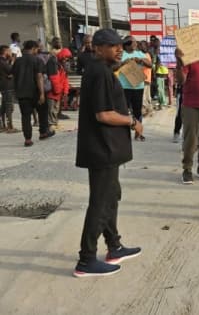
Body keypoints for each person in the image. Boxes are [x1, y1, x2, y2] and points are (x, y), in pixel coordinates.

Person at [73, 28, 142, 277]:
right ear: (98, 48)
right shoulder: (98, 72)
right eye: (114, 46)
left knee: (111, 196)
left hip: (108, 148)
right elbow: (104, 115)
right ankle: (86, 259)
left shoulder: (103, 70)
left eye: (120, 46)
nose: (119, 49)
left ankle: (114, 246)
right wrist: (132, 121)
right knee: (100, 203)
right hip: (102, 148)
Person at [175, 34, 199, 184]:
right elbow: (181, 80)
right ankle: (187, 169)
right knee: (191, 140)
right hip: (191, 106)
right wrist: (179, 61)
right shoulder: (188, 59)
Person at [12, 40, 53, 146]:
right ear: (34, 48)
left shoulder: (17, 61)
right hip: (35, 92)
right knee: (43, 110)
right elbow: (39, 76)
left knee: (25, 116)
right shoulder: (37, 60)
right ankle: (43, 132)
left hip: (22, 93)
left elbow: (13, 75)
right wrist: (42, 93)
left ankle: (28, 139)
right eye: (37, 49)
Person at [117, 36, 151, 141]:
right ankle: (122, 132)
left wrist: (140, 60)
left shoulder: (140, 54)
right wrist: (124, 63)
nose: (136, 44)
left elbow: (150, 65)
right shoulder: (122, 54)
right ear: (127, 45)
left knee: (137, 111)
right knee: (123, 110)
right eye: (134, 42)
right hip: (124, 87)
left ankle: (138, 132)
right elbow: (115, 66)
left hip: (138, 86)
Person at [47, 48, 71, 128]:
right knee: (51, 108)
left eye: (67, 58)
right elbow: (54, 78)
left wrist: (65, 91)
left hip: (58, 90)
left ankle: (54, 123)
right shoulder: (54, 63)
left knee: (56, 108)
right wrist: (58, 90)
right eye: (65, 57)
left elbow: (65, 79)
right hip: (53, 90)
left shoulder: (61, 64)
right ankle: (51, 123)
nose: (66, 59)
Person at [0, 45, 18, 133]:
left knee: (4, 106)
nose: (11, 53)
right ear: (5, 51)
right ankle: (10, 126)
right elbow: (11, 70)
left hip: (4, 86)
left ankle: (3, 125)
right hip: (7, 87)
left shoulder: (3, 61)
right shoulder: (2, 62)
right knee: (9, 107)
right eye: (9, 51)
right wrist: (13, 61)